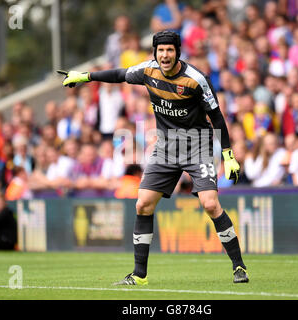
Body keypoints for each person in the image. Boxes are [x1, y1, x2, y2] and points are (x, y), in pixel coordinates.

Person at [58, 31, 248, 284]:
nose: (165, 55)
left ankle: (239, 267)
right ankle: (139, 276)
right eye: (160, 50)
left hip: (198, 145)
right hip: (166, 146)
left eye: (169, 50)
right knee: (143, 204)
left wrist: (228, 155)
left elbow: (217, 117)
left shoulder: (195, 79)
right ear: (155, 52)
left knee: (211, 204)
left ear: (177, 52)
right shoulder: (148, 70)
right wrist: (84, 76)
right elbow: (119, 75)